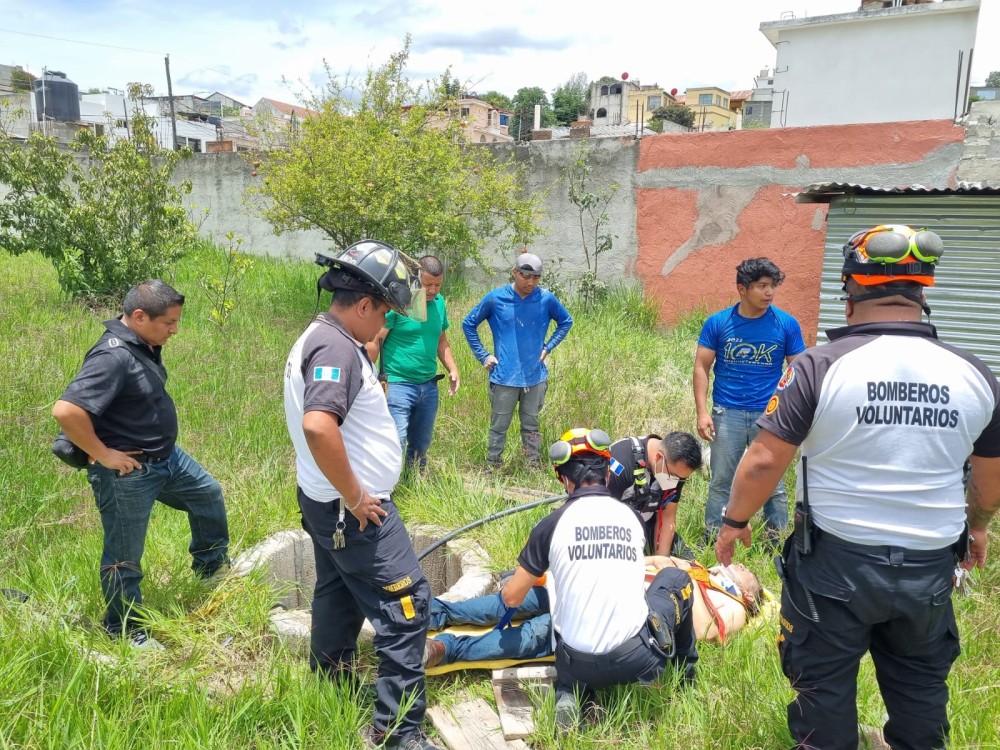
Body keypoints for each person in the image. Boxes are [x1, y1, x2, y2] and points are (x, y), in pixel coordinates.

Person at [715, 224, 1000, 750]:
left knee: (821, 688)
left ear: (849, 295)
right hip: (931, 567)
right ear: (922, 295)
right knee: (919, 688)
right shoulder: (977, 373)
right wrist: (977, 528)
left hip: (834, 567)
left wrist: (733, 524)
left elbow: (761, 462)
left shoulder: (818, 368)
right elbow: (989, 479)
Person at [284, 240, 440, 750]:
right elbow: (318, 425)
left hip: (324, 503)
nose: (386, 327)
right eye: (385, 314)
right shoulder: (334, 348)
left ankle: (329, 681)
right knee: (407, 604)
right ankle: (398, 732)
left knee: (337, 589)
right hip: (352, 510)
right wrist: (355, 497)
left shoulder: (323, 337)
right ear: (365, 304)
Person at [52, 280, 230, 649]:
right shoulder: (112, 355)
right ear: (138, 316)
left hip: (166, 459)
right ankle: (124, 629)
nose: (175, 330)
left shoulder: (143, 342)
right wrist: (103, 454)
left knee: (207, 495)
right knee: (124, 554)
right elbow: (66, 410)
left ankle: (211, 571)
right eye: (168, 322)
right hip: (127, 473)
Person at [499, 428, 698, 730]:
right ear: (608, 475)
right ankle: (687, 680)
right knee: (676, 579)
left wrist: (509, 585)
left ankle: (569, 690)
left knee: (567, 641)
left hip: (574, 663)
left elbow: (512, 598)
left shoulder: (551, 525)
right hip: (637, 661)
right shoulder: (631, 520)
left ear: (564, 479)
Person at [423, 557, 762, 669]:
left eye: (748, 572)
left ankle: (446, 648)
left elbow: (700, 630)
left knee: (529, 638)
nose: (742, 565)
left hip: (611, 612)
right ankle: (437, 613)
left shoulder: (732, 608)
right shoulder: (698, 569)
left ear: (748, 593)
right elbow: (651, 561)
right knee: (511, 602)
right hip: (589, 584)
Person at [694, 257, 806, 543]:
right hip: (726, 412)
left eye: (772, 287)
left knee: (774, 482)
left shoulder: (786, 324)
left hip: (769, 416)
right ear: (742, 289)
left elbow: (799, 371)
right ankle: (713, 538)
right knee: (721, 480)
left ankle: (775, 541)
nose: (769, 293)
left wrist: (793, 413)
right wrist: (702, 412)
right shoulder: (718, 323)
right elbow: (701, 367)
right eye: (762, 286)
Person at [462, 252, 573, 469]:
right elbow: (469, 324)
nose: (530, 282)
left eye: (536, 277)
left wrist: (548, 347)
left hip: (535, 376)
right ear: (514, 273)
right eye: (525, 276)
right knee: (499, 425)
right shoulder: (496, 298)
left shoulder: (546, 299)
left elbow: (566, 321)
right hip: (504, 376)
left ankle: (532, 465)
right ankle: (492, 465)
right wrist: (483, 355)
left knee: (531, 424)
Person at [364, 255, 460, 472]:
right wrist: (363, 373)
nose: (434, 290)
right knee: (395, 441)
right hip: (398, 384)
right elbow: (376, 341)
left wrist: (453, 369)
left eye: (438, 285)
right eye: (428, 285)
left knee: (421, 444)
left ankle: (414, 482)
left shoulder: (440, 303)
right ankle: (386, 489)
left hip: (428, 385)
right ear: (415, 280)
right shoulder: (398, 304)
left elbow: (441, 341)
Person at [607, 431, 703, 557]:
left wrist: (662, 560)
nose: (675, 484)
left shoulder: (675, 470)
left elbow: (668, 516)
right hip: (613, 529)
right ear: (658, 457)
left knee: (688, 567)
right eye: (674, 477)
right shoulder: (621, 463)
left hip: (648, 524)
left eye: (681, 479)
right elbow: (601, 518)